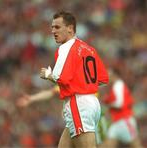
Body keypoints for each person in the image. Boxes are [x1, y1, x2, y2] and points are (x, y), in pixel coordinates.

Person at [39, 11, 109, 148]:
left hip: (78, 103)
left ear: (70, 28)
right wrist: (81, 81)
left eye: (57, 27)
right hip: (93, 103)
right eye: (52, 27)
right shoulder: (88, 48)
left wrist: (48, 74)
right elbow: (102, 79)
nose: (53, 31)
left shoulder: (66, 47)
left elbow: (60, 78)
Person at [100, 69, 142, 148]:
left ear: (113, 75)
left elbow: (119, 104)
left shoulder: (118, 85)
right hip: (116, 122)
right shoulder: (116, 86)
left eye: (108, 75)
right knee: (107, 145)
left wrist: (107, 103)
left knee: (136, 145)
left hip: (124, 120)